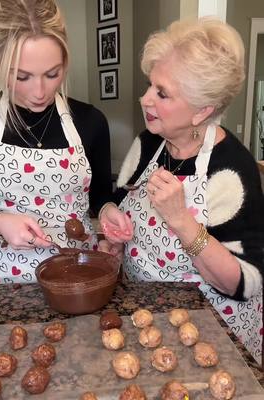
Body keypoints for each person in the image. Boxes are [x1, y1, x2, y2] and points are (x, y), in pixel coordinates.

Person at [99, 17, 264, 364]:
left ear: (201, 110)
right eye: (149, 85)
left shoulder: (233, 168)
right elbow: (116, 203)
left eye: (162, 93)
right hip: (144, 321)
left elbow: (245, 284)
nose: (144, 99)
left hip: (210, 335)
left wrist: (180, 219)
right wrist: (110, 221)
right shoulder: (147, 144)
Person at [0, 0, 112, 284]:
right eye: (22, 76)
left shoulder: (90, 121)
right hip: (11, 283)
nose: (40, 91)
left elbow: (101, 197)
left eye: (52, 74)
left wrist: (110, 212)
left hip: (84, 278)